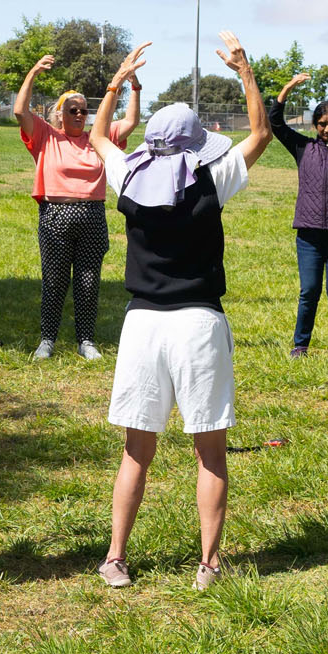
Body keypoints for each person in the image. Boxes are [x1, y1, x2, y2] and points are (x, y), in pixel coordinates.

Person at [91, 33, 271, 592]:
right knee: (209, 449)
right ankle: (209, 565)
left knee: (136, 449)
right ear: (198, 143)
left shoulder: (128, 177)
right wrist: (244, 71)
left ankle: (116, 557)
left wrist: (118, 84)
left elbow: (98, 136)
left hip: (142, 323)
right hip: (198, 322)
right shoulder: (211, 179)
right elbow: (261, 133)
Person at [14, 54, 140, 360]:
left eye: (84, 110)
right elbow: (20, 111)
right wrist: (32, 72)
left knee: (87, 281)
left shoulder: (97, 138)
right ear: (59, 114)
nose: (80, 115)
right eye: (73, 110)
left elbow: (131, 123)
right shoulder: (45, 136)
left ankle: (86, 341)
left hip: (92, 216)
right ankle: (47, 339)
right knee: (54, 280)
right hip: (55, 216)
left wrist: (134, 88)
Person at [267, 72, 328, 362]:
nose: (326, 129)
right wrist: (286, 89)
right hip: (308, 233)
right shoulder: (303, 147)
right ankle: (300, 345)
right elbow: (276, 124)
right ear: (314, 125)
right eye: (321, 124)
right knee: (309, 290)